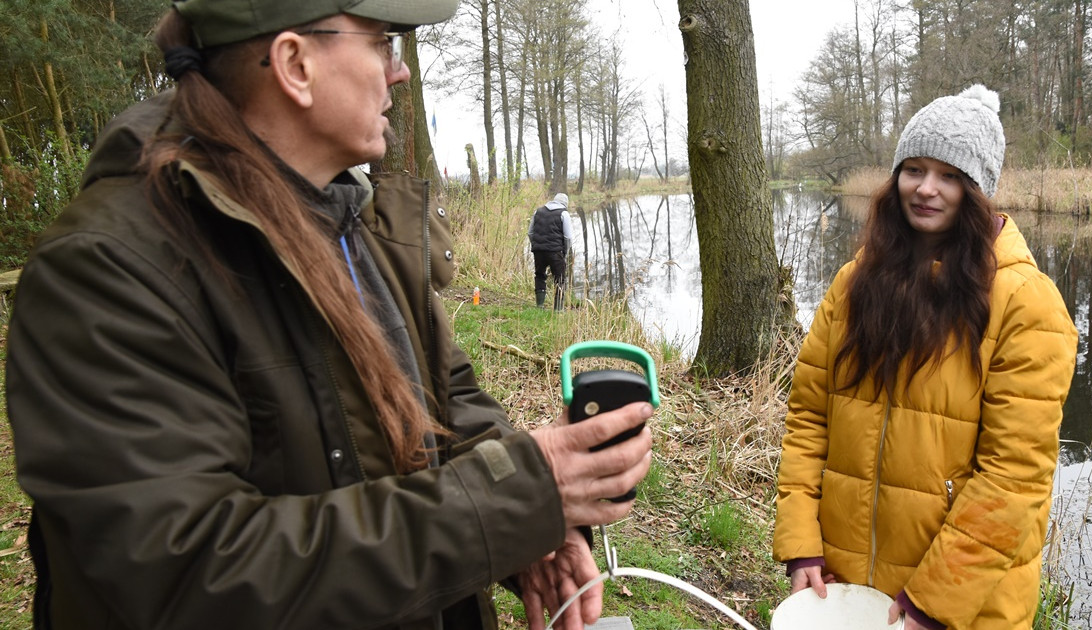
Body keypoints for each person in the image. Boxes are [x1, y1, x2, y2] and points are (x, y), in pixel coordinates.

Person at [3, 1, 653, 629]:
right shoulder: (109, 271)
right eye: (381, 43)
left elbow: (445, 403)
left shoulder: (348, 217)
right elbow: (193, 573)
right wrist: (509, 500)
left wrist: (529, 529)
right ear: (295, 65)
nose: (398, 71)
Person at [772, 85, 1078, 630]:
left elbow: (1013, 477)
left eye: (950, 174)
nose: (926, 189)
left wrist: (932, 603)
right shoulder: (852, 284)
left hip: (963, 608)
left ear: (979, 188)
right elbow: (808, 421)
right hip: (849, 591)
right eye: (913, 169)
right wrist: (803, 545)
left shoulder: (1028, 304)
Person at [528, 192, 574, 310]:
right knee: (559, 279)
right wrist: (565, 251)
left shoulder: (537, 211)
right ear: (565, 204)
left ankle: (540, 305)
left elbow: (530, 232)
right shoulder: (564, 213)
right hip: (555, 251)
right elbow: (568, 237)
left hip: (538, 250)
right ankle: (558, 309)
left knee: (539, 275)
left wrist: (535, 244)